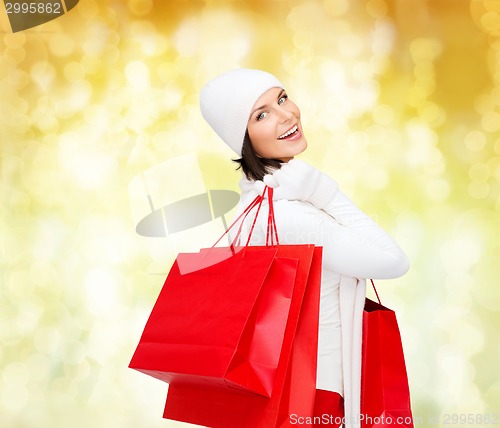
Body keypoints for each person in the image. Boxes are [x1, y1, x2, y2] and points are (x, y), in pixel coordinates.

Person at [200, 68, 410, 428]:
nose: (286, 115)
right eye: (261, 114)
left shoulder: (253, 205)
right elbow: (394, 261)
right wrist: (325, 191)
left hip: (288, 392)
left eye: (282, 98)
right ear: (242, 138)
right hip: (315, 396)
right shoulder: (288, 214)